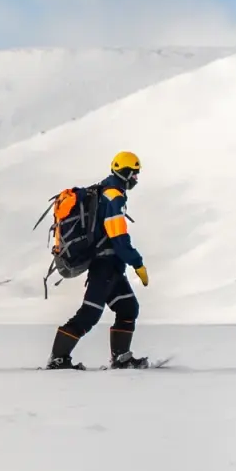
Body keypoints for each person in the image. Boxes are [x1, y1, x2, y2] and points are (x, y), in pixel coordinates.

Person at [46, 152, 149, 370]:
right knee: (90, 313)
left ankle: (121, 358)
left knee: (128, 307)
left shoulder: (105, 191)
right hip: (104, 266)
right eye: (134, 174)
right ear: (126, 173)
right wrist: (137, 263)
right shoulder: (113, 197)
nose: (136, 179)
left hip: (111, 266)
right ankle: (58, 358)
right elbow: (118, 237)